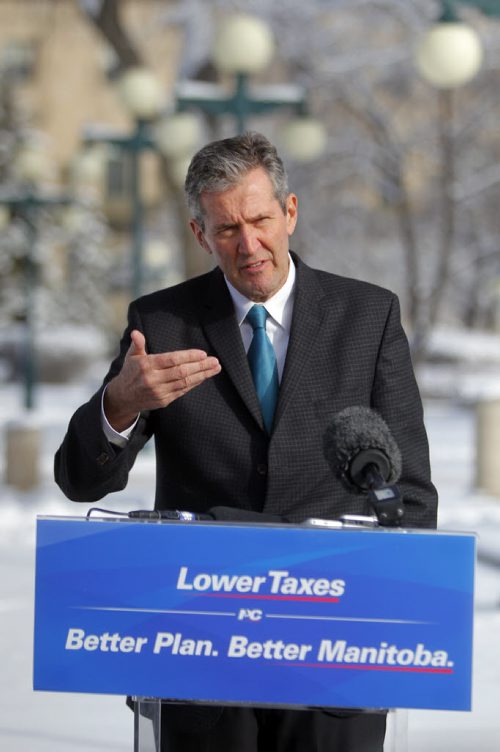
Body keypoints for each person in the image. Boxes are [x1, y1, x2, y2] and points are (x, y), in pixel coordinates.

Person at [55, 131, 437, 751]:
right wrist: (120, 404)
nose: (249, 243)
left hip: (332, 663)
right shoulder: (161, 324)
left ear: (289, 212)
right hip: (201, 664)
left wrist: (388, 629)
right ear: (200, 234)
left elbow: (412, 495)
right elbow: (81, 480)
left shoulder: (369, 317)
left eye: (259, 219)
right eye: (226, 228)